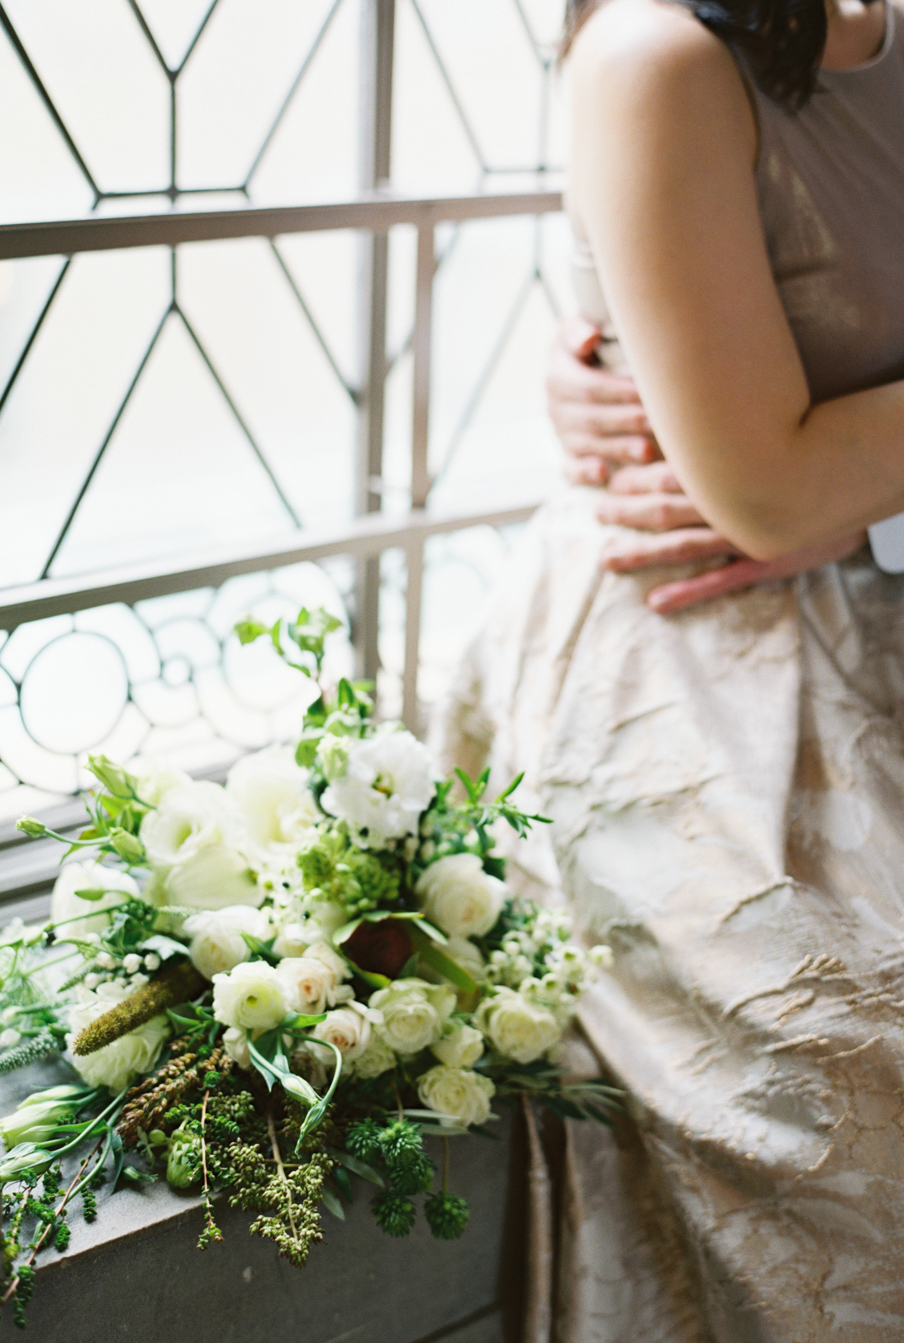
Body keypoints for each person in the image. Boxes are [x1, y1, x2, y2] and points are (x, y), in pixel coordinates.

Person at [433, 1, 904, 1337]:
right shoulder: (661, 59)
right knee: (858, 1067)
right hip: (704, 662)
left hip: (873, 586)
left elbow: (810, 468)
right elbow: (764, 493)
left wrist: (834, 474)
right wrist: (782, 456)